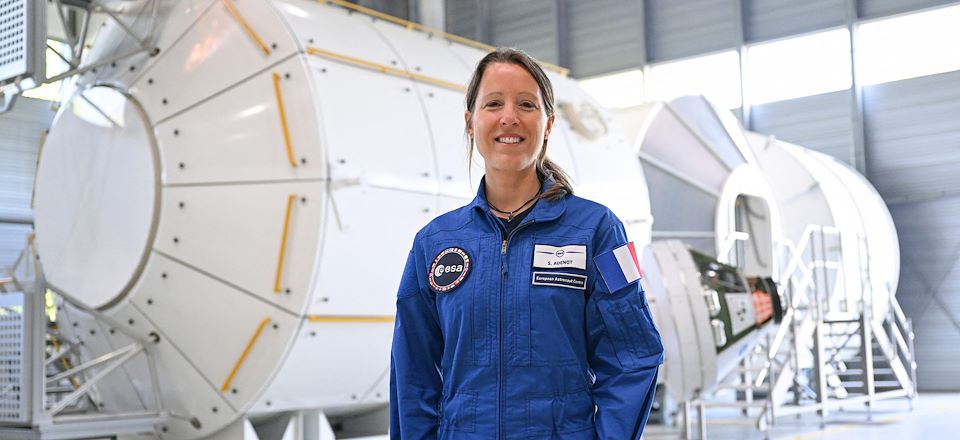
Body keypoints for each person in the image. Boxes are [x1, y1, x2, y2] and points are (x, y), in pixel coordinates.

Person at [389, 48, 663, 439]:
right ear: (470, 122)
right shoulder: (434, 244)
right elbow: (412, 373)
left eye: (526, 104)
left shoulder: (599, 231)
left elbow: (634, 356)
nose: (509, 117)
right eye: (494, 103)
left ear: (548, 124)